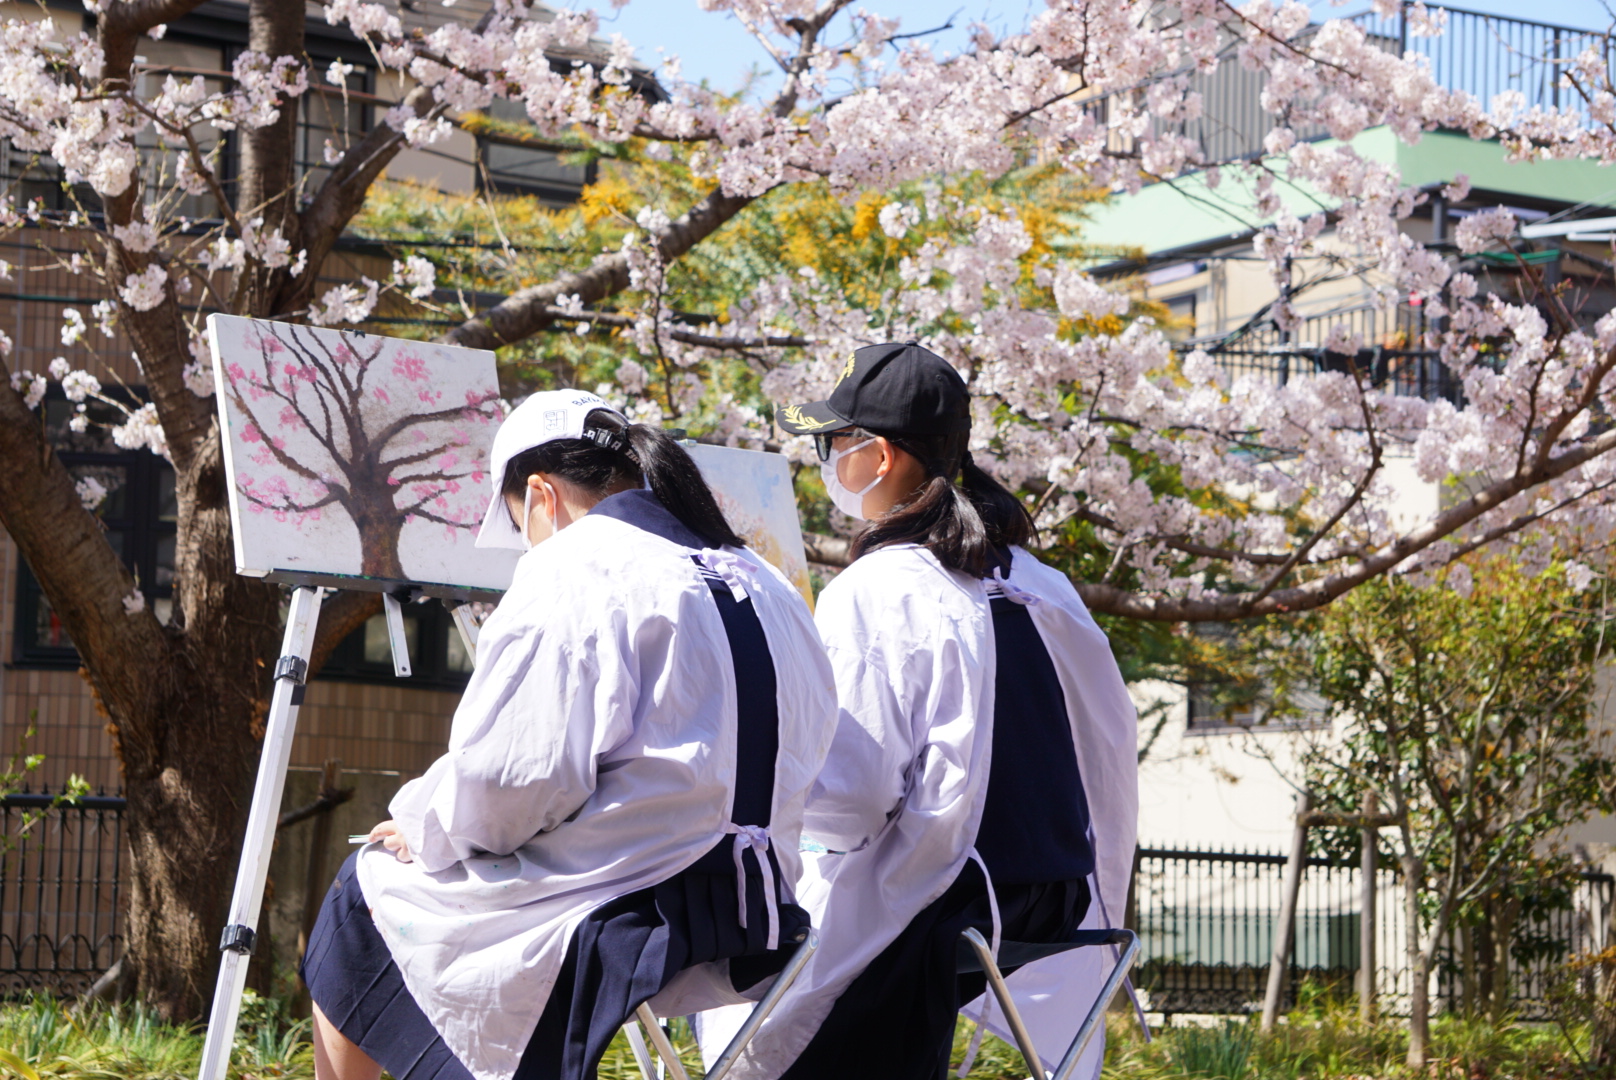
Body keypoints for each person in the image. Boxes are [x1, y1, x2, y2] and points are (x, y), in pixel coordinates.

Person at [302, 390, 836, 1080]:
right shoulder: (765, 578)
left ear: (541, 496)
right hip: (758, 907)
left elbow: (513, 780)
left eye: (522, 524)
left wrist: (425, 825)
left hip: (632, 905)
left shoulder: (576, 564)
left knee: (364, 893)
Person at [716, 343, 1138, 1080]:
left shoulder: (882, 586)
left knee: (729, 928)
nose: (824, 462)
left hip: (937, 907)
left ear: (875, 458)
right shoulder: (1042, 586)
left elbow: (846, 807)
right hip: (1053, 903)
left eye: (830, 442)